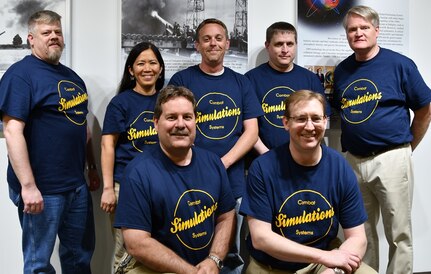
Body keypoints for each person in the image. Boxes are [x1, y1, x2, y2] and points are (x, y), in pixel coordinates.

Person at [332, 5, 431, 274]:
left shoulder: (400, 64)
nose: (358, 33)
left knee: (398, 233)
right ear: (347, 35)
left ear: (377, 30)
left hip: (391, 158)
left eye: (364, 28)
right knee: (359, 232)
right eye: (352, 29)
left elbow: (425, 108)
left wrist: (408, 147)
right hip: (353, 161)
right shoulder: (342, 71)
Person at [0, 10, 99, 273]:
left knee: (79, 258)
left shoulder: (71, 77)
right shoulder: (21, 75)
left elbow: (82, 127)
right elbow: (12, 132)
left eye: (57, 32)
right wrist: (28, 186)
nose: (54, 37)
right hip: (43, 189)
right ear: (31, 39)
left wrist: (91, 166)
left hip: (76, 186)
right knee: (38, 264)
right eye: (46, 33)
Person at [240, 90, 377, 274]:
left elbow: (358, 238)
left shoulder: (340, 167)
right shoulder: (263, 168)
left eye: (316, 118)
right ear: (286, 122)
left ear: (325, 121)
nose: (310, 126)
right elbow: (261, 238)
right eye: (301, 119)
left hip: (324, 264)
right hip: (272, 265)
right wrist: (322, 256)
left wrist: (335, 270)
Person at [168, 18, 263, 273]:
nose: (213, 43)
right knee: (186, 247)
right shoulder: (182, 79)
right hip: (188, 179)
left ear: (227, 44)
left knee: (229, 252)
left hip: (231, 181)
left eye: (218, 38)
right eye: (207, 39)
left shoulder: (241, 82)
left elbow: (251, 132)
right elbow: (173, 129)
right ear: (197, 44)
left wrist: (223, 163)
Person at [114, 85, 236, 273]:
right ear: (156, 123)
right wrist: (191, 272)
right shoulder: (138, 173)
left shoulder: (212, 162)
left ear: (196, 121)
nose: (180, 124)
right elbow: (136, 243)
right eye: (171, 117)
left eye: (187, 117)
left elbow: (226, 216)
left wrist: (214, 259)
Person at [100, 41, 165, 271]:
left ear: (160, 68)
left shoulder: (167, 101)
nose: (147, 68)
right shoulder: (120, 103)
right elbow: (108, 145)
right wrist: (108, 189)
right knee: (125, 249)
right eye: (140, 63)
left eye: (152, 63)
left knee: (161, 248)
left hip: (163, 185)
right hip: (126, 186)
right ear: (131, 70)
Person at [245, 22, 328, 155]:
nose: (285, 50)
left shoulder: (310, 79)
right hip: (263, 158)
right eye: (279, 44)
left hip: (303, 158)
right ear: (267, 46)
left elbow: (321, 121)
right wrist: (267, 156)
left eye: (290, 44)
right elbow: (247, 126)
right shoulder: (250, 79)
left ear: (296, 45)